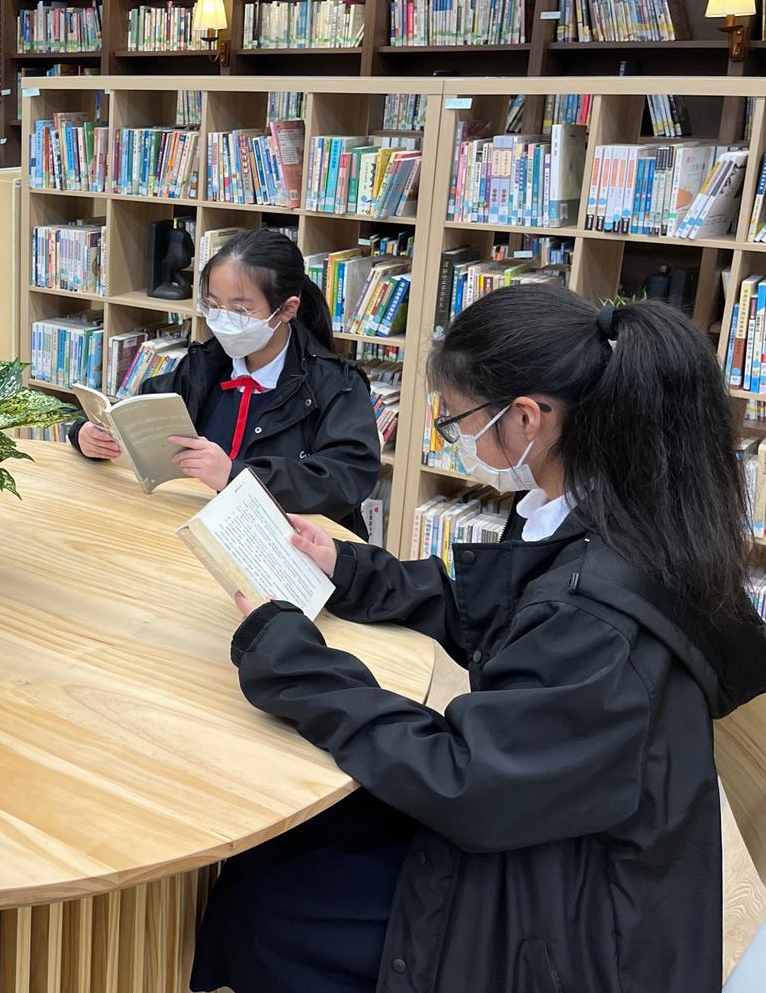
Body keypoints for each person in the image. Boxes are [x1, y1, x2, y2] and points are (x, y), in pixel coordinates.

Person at [194, 284, 766, 993]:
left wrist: (288, 657)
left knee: (267, 900)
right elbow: (501, 615)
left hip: (575, 916)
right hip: (565, 819)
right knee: (306, 839)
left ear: (526, 418)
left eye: (457, 420)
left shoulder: (594, 611)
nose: (455, 439)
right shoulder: (617, 510)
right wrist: (349, 567)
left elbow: (463, 780)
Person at [72, 228, 380, 534]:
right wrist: (88, 434)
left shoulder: (337, 384)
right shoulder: (206, 363)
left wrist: (233, 474)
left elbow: (346, 478)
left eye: (241, 309)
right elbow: (137, 413)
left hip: (289, 542)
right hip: (197, 527)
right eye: (213, 305)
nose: (222, 320)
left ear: (286, 309)